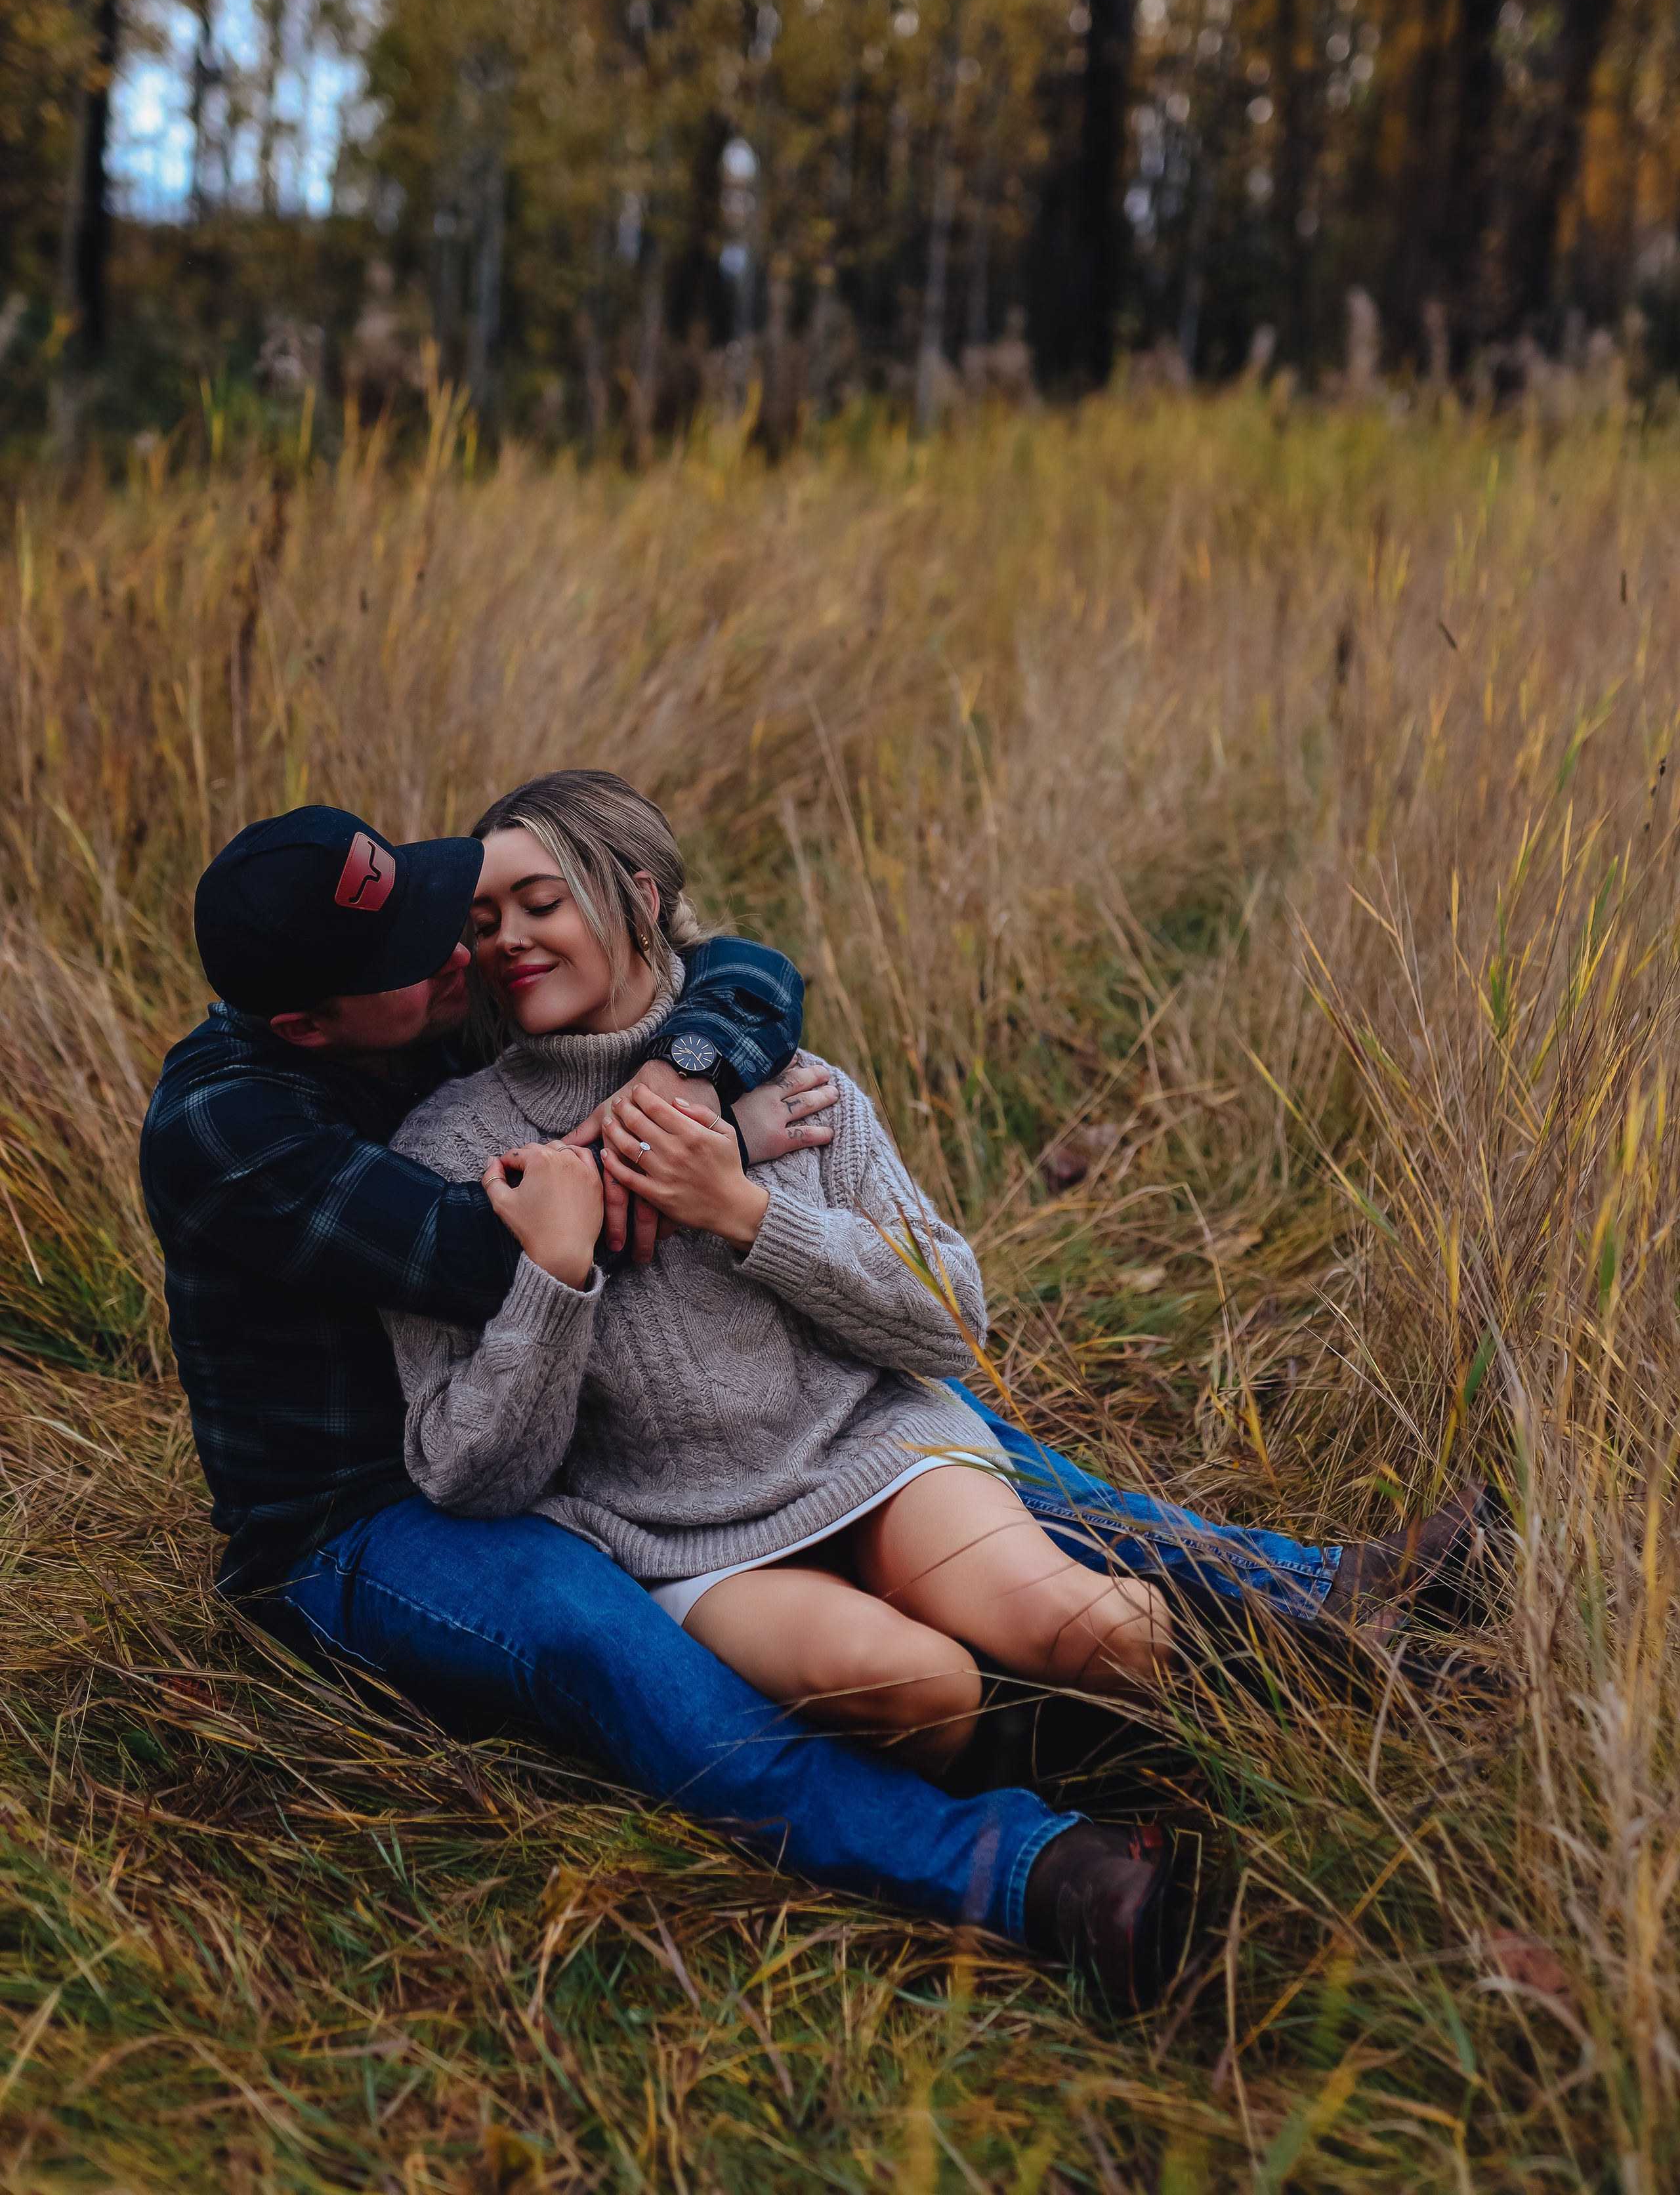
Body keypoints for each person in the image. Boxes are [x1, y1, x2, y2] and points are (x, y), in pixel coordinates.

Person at [140, 801, 1480, 2011]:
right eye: (427, 951)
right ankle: (1019, 1871)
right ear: (310, 1024)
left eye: (452, 912)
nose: (461, 957)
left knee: (943, 1433)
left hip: (623, 1395)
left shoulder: (441, 1010)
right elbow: (488, 1246)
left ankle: (1309, 1603)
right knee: (601, 1643)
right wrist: (705, 1152)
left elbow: (724, 959)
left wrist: (696, 1057)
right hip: (368, 1510)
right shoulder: (234, 1131)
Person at [388, 770, 1179, 1782]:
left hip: (876, 1450)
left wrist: (743, 1211)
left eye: (541, 904)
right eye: (485, 921)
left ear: (640, 900)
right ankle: (1036, 1789)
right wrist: (555, 1272)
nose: (507, 941)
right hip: (679, 1534)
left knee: (1101, 1632)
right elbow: (467, 1470)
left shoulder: (791, 1084)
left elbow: (950, 1324)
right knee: (917, 1687)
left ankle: (1171, 1758)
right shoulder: (452, 1146)